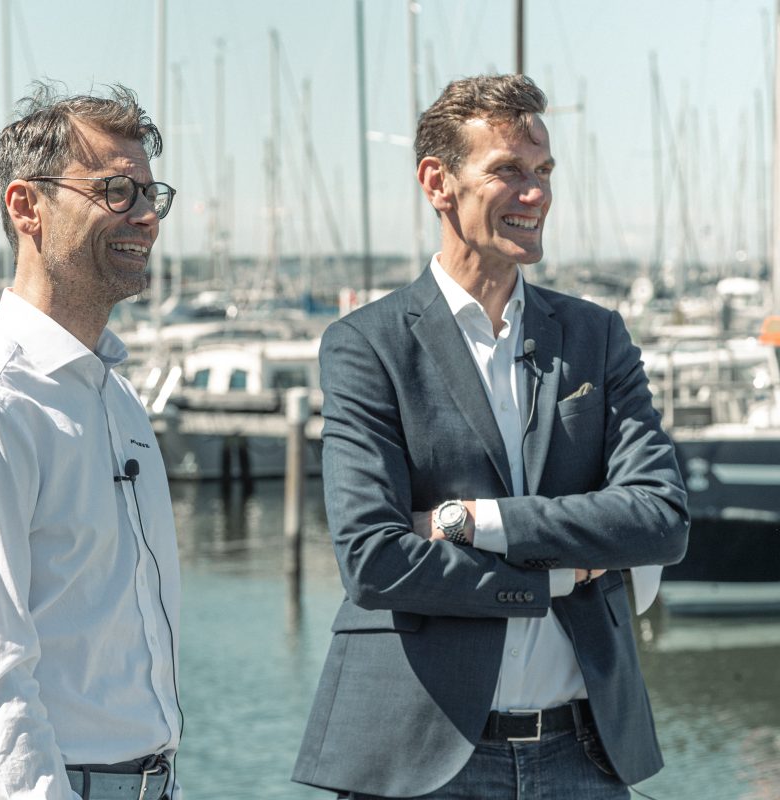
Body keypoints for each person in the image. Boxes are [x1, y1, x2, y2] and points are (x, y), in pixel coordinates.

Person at [292, 74, 689, 799]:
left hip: (585, 758)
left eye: (542, 173)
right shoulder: (366, 346)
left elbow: (660, 520)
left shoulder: (596, 337)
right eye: (507, 170)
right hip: (419, 760)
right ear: (437, 183)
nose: (534, 194)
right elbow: (375, 559)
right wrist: (558, 578)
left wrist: (477, 523)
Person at [0, 83, 183, 800]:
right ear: (27, 207)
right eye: (116, 191)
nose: (145, 216)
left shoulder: (116, 400)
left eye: (151, 194)